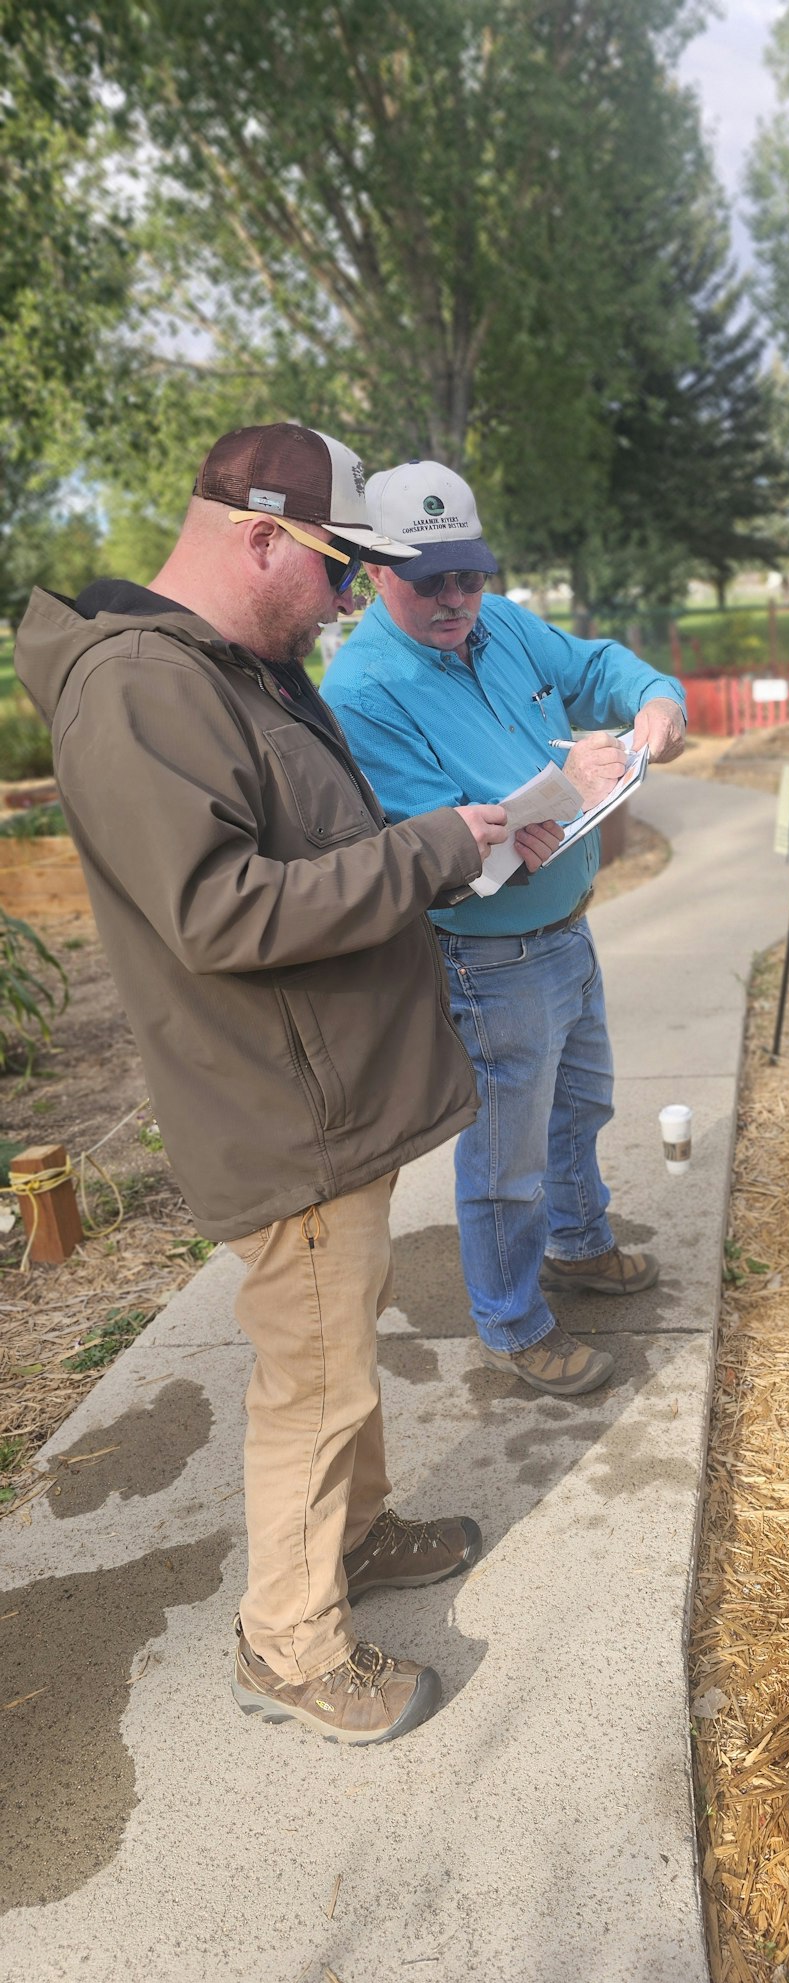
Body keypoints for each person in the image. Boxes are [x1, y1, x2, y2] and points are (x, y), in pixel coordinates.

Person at [14, 423, 561, 1747]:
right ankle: (293, 1640)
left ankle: (355, 1537)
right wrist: (431, 851)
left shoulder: (233, 668)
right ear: (263, 537)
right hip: (283, 1113)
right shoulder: (147, 688)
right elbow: (221, 911)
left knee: (340, 1360)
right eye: (335, 570)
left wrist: (462, 844)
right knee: (313, 1382)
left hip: (326, 1096)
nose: (341, 603)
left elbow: (305, 842)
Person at [322, 459, 687, 1397]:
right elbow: (448, 854)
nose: (454, 600)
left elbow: (598, 665)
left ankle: (576, 1244)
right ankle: (514, 1324)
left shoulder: (499, 622)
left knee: (582, 1106)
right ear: (372, 573)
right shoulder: (362, 692)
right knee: (504, 1156)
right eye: (428, 579)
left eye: (468, 574)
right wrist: (566, 804)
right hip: (490, 958)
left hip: (565, 924)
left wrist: (653, 702)